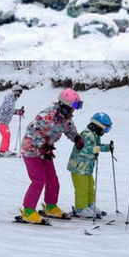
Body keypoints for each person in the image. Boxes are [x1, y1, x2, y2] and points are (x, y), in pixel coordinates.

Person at [18, 88, 85, 224]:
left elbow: (69, 127)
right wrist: (43, 146)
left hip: (44, 151)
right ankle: (28, 211)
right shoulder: (47, 115)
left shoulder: (65, 117)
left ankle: (50, 206)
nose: (74, 110)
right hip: (31, 150)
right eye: (73, 107)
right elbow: (32, 131)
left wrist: (76, 137)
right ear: (64, 105)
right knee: (39, 179)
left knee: (52, 179)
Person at [67, 112, 114, 218]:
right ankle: (80, 208)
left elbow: (96, 146)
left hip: (86, 167)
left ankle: (89, 204)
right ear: (98, 126)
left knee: (90, 186)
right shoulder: (87, 134)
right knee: (82, 187)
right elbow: (87, 149)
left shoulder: (95, 134)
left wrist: (107, 147)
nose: (105, 132)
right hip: (78, 167)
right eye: (106, 129)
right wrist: (98, 149)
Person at [0, 84, 25, 156]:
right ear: (15, 91)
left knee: (7, 135)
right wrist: (18, 112)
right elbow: (7, 109)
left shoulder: (12, 99)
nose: (20, 94)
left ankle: (5, 149)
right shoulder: (10, 99)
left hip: (4, 121)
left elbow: (9, 110)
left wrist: (18, 111)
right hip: (1, 120)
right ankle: (2, 151)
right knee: (6, 135)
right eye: (19, 92)